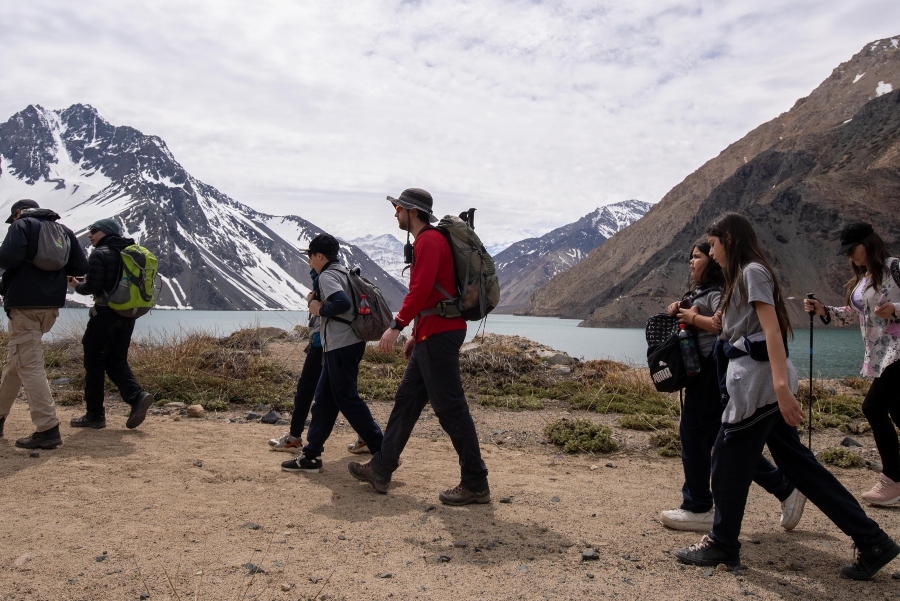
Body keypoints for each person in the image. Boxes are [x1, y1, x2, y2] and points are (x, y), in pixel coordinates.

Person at [674, 213, 898, 580]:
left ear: (728, 239)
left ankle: (723, 543)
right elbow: (734, 327)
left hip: (758, 386)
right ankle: (873, 541)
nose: (711, 253)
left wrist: (782, 390)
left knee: (727, 461)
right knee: (801, 468)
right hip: (755, 384)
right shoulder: (741, 277)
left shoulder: (751, 272)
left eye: (713, 245)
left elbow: (772, 330)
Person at [348, 188, 490, 506]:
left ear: (413, 211)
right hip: (432, 333)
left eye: (398, 207)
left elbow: (422, 289)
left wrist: (396, 327)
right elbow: (432, 295)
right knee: (407, 402)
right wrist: (415, 332)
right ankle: (381, 469)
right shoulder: (431, 241)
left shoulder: (427, 240)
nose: (394, 212)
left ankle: (476, 482)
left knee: (451, 409)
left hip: (439, 336)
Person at [660, 242, 805, 532]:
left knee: (693, 434)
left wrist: (692, 317)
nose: (692, 261)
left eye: (698, 256)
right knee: (722, 442)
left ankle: (699, 505)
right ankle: (784, 488)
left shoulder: (717, 292)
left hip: (711, 374)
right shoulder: (699, 293)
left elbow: (722, 327)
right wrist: (679, 308)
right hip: (705, 373)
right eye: (690, 257)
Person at [804, 222, 900, 505]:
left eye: (852, 250)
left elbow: (888, 310)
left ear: (868, 242)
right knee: (898, 411)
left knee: (873, 407)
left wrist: (895, 309)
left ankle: (892, 481)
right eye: (845, 253)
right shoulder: (865, 278)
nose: (849, 257)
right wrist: (825, 310)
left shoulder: (894, 267)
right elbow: (858, 313)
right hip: (880, 354)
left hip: (898, 350)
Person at [280, 234, 383, 473]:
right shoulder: (343, 272)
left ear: (319, 255)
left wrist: (318, 308)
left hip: (341, 344)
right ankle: (311, 456)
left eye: (310, 256)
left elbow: (342, 303)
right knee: (324, 400)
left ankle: (383, 451)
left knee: (347, 399)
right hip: (349, 343)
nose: (309, 262)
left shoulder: (327, 276)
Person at [0, 199, 89, 449]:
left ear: (18, 212)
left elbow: (7, 258)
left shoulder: (22, 226)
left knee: (29, 365)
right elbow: (81, 266)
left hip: (24, 306)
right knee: (16, 362)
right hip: (50, 307)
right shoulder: (63, 231)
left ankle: (47, 427)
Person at [67, 218, 155, 430]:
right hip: (127, 315)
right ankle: (137, 397)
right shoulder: (128, 253)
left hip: (104, 315)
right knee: (116, 360)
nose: (90, 235)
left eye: (94, 231)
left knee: (94, 363)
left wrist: (76, 285)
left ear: (105, 232)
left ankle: (95, 415)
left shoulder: (100, 253)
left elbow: (92, 287)